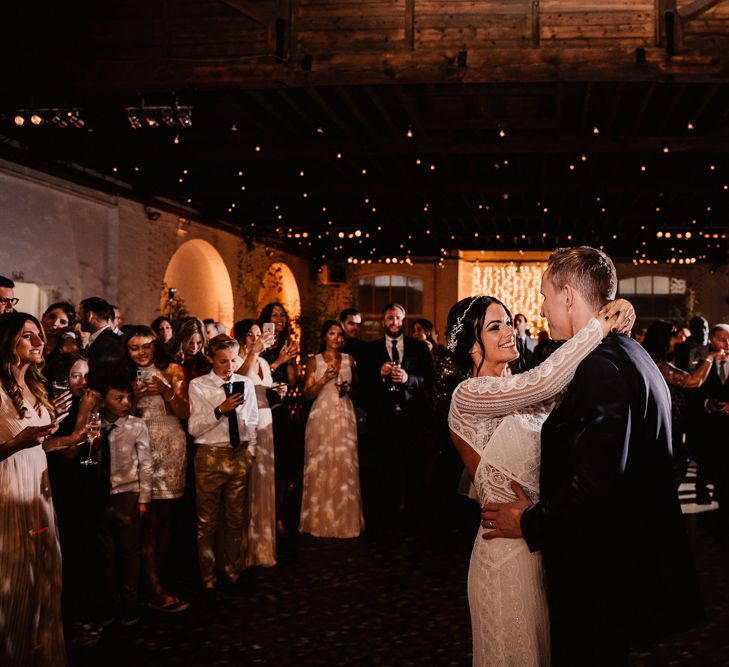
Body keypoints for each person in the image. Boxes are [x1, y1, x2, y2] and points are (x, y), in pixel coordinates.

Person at [476, 247, 703, 666]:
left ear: (567, 294)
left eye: (544, 296)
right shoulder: (631, 354)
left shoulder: (601, 365)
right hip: (619, 559)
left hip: (596, 569)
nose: (541, 309)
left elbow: (596, 482)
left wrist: (529, 521)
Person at [0, 313, 88, 665]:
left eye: (39, 335)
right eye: (28, 336)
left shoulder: (36, 387)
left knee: (44, 572)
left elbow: (37, 447)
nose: (39, 342)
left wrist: (64, 436)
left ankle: (39, 652)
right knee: (14, 576)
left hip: (38, 489)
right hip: (8, 491)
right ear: (8, 343)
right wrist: (18, 442)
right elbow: (17, 444)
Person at [124, 325, 190, 612]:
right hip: (139, 445)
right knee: (146, 519)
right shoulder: (124, 375)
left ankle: (157, 577)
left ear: (155, 346)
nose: (141, 352)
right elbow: (118, 415)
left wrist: (165, 391)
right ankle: (151, 587)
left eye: (146, 346)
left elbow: (186, 412)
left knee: (166, 520)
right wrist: (134, 397)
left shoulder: (173, 369)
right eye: (134, 347)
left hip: (171, 445)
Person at [188, 334, 258, 589]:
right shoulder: (198, 385)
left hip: (239, 455)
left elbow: (251, 420)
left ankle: (232, 566)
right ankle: (207, 573)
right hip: (210, 456)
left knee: (235, 518)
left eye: (233, 361)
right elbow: (194, 428)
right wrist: (220, 410)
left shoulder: (245, 383)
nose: (229, 367)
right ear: (210, 359)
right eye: (223, 362)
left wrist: (250, 450)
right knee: (207, 521)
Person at [362, 303, 433, 535]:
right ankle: (386, 520)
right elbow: (362, 387)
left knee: (414, 470)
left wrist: (408, 378)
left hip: (411, 418)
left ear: (403, 321)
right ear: (384, 322)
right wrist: (378, 374)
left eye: (398, 319)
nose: (394, 323)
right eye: (390, 318)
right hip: (382, 420)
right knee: (384, 470)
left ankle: (414, 520)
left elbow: (429, 380)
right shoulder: (371, 350)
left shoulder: (418, 348)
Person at [96, 374, 153, 625]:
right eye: (118, 398)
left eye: (128, 397)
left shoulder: (136, 425)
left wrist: (144, 498)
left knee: (129, 552)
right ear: (102, 401)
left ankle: (130, 605)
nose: (126, 402)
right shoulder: (93, 425)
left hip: (127, 495)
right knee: (105, 553)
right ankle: (110, 604)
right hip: (99, 495)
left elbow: (146, 464)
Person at [300, 320, 364, 538]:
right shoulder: (313, 361)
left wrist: (348, 388)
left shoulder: (349, 360)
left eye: (340, 334)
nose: (336, 338)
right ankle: (318, 520)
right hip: (321, 415)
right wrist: (323, 380)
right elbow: (306, 394)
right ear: (324, 336)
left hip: (344, 413)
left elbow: (358, 393)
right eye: (332, 333)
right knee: (321, 462)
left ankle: (344, 521)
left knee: (344, 464)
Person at [642, 319, 724, 484]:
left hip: (670, 423)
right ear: (663, 339)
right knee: (675, 467)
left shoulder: (654, 357)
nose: (680, 341)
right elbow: (693, 381)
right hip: (667, 425)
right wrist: (710, 357)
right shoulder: (657, 362)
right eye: (674, 337)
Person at [234, 319, 278, 567]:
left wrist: (275, 392)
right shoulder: (239, 359)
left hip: (266, 419)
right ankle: (242, 547)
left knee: (264, 477)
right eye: (250, 335)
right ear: (242, 338)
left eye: (258, 334)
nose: (255, 338)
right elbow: (240, 380)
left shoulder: (263, 362)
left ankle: (263, 544)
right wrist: (253, 352)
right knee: (247, 479)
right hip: (247, 422)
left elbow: (262, 386)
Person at [258, 301, 301, 534]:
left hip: (281, 407)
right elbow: (254, 375)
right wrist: (279, 362)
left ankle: (278, 515)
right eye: (274, 316)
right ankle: (261, 515)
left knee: (283, 466)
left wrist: (292, 359)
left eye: (283, 316)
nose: (279, 320)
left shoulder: (286, 344)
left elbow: (294, 381)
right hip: (261, 408)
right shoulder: (258, 345)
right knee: (264, 465)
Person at [692, 323, 729, 516]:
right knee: (709, 461)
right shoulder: (701, 365)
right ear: (713, 340)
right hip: (710, 426)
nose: (727, 343)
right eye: (723, 339)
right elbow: (694, 395)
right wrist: (708, 404)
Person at [78, 297, 124, 375]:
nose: (78, 320)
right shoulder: (105, 338)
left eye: (80, 315)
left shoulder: (108, 342)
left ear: (90, 315)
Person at [169, 317, 211, 386]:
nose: (195, 347)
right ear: (181, 340)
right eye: (190, 342)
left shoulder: (206, 358)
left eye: (199, 342)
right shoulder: (171, 359)